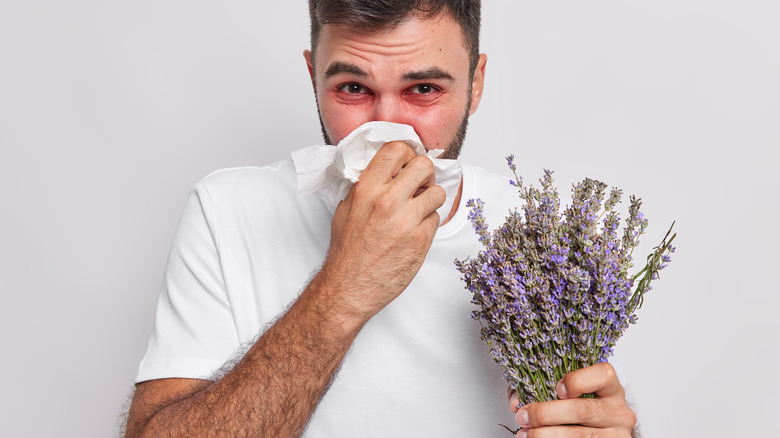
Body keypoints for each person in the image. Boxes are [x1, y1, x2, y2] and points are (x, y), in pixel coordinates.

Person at [124, 1, 638, 437]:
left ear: (475, 84)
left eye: (423, 90)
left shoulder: (542, 235)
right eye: (352, 88)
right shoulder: (228, 209)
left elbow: (587, 409)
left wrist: (610, 425)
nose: (389, 131)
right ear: (312, 76)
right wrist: (344, 289)